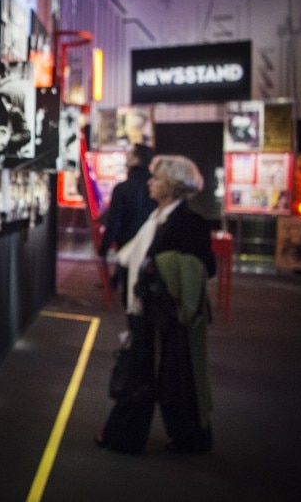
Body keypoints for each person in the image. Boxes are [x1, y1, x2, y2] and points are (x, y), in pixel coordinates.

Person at [97, 155, 216, 455]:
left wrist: (164, 269)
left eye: (157, 179)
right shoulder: (156, 217)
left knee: (164, 377)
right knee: (158, 377)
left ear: (173, 187)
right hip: (149, 311)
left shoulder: (188, 222)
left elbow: (206, 266)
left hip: (169, 316)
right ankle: (178, 438)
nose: (150, 183)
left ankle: (129, 438)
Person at [98, 144, 157, 262]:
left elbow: (114, 222)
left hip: (127, 245)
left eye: (129, 154)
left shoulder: (123, 188)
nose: (126, 156)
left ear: (136, 159)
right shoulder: (156, 186)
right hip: (151, 246)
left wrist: (103, 250)